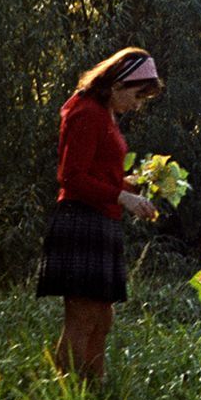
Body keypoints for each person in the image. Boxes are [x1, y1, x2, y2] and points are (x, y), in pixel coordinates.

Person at [34, 48, 163, 379]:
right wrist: (122, 196)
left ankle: (95, 387)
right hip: (81, 221)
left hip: (101, 220)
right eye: (137, 96)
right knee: (82, 318)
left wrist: (132, 184)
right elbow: (71, 177)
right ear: (119, 83)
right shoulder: (86, 112)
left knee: (102, 319)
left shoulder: (104, 113)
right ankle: (65, 393)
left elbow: (97, 173)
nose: (137, 105)